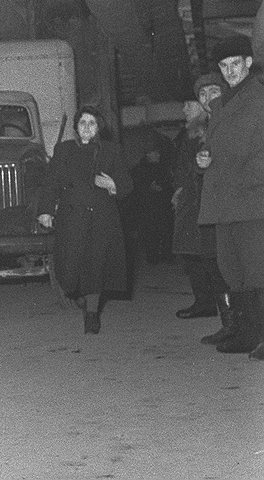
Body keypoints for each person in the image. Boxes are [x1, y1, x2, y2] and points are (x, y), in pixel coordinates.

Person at [196, 35, 264, 359]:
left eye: (235, 63)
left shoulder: (259, 97)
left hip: (251, 198)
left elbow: (252, 150)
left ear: (248, 63)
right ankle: (248, 333)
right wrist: (202, 158)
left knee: (257, 268)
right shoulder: (220, 104)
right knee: (232, 269)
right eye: (223, 66)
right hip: (223, 200)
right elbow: (213, 146)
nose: (229, 71)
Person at [38, 106, 133, 334]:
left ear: (99, 127)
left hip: (100, 218)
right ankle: (79, 297)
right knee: (68, 273)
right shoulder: (64, 150)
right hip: (71, 219)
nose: (87, 127)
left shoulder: (111, 151)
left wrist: (112, 185)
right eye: (83, 123)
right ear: (76, 127)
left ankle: (92, 314)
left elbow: (127, 185)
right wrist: (45, 211)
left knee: (95, 267)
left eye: (92, 123)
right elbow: (50, 183)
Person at [171, 74, 229, 324]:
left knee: (217, 260)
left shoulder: (225, 122)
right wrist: (179, 190)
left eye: (213, 92)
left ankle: (230, 318)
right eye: (202, 95)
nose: (207, 99)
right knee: (195, 254)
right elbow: (184, 167)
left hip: (216, 202)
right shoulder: (192, 131)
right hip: (193, 201)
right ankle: (206, 303)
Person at [130, 141, 174, 264]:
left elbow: (169, 184)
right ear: (148, 154)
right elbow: (135, 188)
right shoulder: (139, 170)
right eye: (155, 153)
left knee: (165, 231)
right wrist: (149, 188)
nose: (158, 155)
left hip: (163, 206)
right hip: (148, 208)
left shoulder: (163, 168)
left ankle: (166, 256)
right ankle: (153, 257)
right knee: (150, 233)